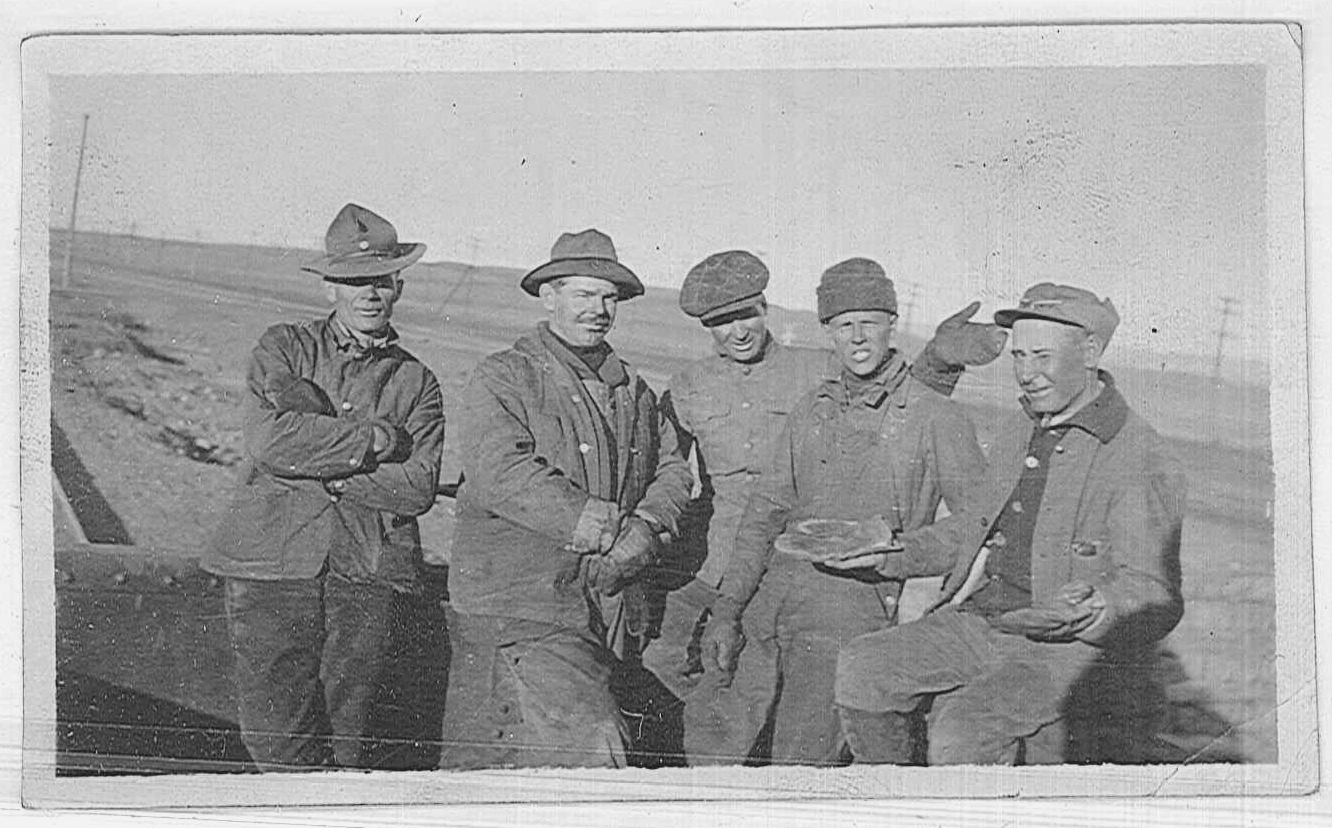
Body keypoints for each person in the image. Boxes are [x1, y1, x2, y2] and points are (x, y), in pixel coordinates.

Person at [640, 249, 1005, 763]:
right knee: (710, 740)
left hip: (847, 610)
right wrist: (728, 610)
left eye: (869, 322)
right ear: (828, 331)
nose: (857, 337)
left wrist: (892, 552)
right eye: (843, 325)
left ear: (892, 323)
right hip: (765, 594)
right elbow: (764, 509)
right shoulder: (812, 408)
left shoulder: (935, 417)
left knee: (800, 758)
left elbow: (976, 523)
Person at [833, 283, 1186, 765]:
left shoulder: (1138, 456)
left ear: (1089, 352)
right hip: (982, 622)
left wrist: (1100, 604)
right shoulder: (1023, 427)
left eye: (1042, 357)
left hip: (1063, 652)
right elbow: (970, 531)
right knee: (862, 666)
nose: (1026, 374)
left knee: (961, 729)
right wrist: (889, 552)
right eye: (1019, 356)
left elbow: (1155, 593)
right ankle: (897, 792)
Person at [202, 203, 446, 770]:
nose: (370, 294)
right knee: (274, 732)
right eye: (355, 282)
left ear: (399, 287)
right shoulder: (285, 348)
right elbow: (269, 441)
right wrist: (373, 441)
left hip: (366, 571)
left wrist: (322, 463)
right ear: (330, 287)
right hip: (270, 565)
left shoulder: (416, 381)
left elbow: (416, 487)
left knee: (351, 735)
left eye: (381, 281)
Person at [438, 228, 693, 769]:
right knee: (591, 747)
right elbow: (499, 470)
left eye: (609, 297)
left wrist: (647, 527)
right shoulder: (506, 377)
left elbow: (672, 467)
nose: (598, 310)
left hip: (600, 609)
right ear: (548, 297)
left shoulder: (633, 391)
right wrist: (608, 530)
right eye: (583, 294)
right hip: (521, 606)